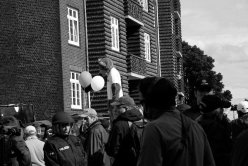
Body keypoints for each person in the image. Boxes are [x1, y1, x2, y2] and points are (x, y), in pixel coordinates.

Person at [137, 77, 215, 166]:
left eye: (142, 102)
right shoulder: (196, 127)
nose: (142, 108)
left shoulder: (154, 129)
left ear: (150, 101)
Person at [106, 95, 143, 166]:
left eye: (118, 107)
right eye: (114, 107)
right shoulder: (142, 120)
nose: (114, 110)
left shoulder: (119, 125)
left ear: (126, 108)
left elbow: (112, 150)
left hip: (123, 162)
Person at [196, 95, 232, 166]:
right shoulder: (220, 128)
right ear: (216, 110)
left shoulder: (195, 125)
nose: (222, 110)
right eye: (221, 108)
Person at [98, 57, 123, 122]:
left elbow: (116, 87)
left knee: (115, 121)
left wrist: (114, 103)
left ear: (105, 68)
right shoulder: (110, 73)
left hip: (115, 104)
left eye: (100, 69)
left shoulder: (113, 73)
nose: (100, 71)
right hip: (114, 102)